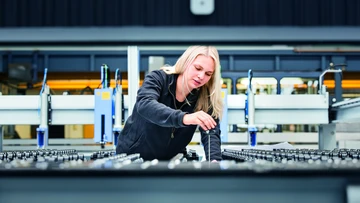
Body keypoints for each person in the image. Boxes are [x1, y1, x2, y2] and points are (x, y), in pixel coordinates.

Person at [116, 45, 224, 161]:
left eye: (208, 74)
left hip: (170, 161)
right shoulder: (158, 78)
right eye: (198, 68)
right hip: (134, 158)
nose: (201, 76)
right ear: (185, 62)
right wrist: (184, 118)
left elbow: (211, 132)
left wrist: (214, 160)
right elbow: (145, 104)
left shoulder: (204, 96)